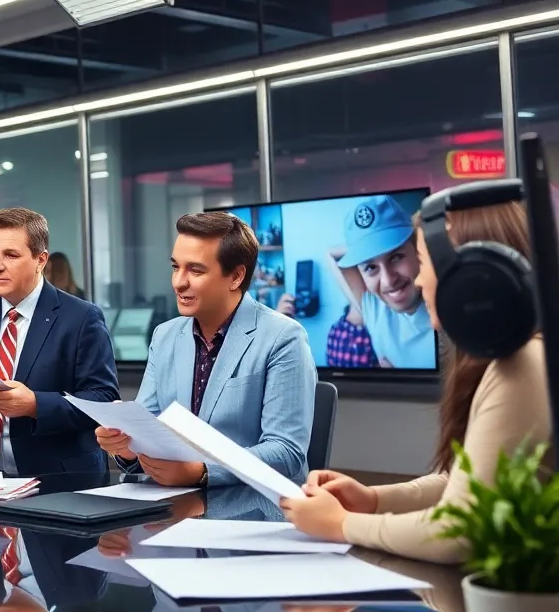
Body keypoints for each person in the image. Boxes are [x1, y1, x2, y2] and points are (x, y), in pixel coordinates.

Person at [281, 199, 553, 563]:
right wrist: (373, 499)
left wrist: (342, 524)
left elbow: (460, 529)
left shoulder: (522, 366)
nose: (421, 280)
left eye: (423, 262)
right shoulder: (519, 355)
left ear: (475, 274)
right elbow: (465, 481)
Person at [97, 212, 315, 487]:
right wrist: (127, 445)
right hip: (177, 501)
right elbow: (149, 428)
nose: (178, 282)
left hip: (254, 505)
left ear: (236, 276)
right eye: (176, 267)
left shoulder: (283, 337)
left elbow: (286, 452)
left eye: (195, 270)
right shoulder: (164, 336)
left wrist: (203, 471)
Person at [0, 208, 119, 475]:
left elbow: (103, 399)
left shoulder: (81, 317)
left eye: (10, 255)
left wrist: (35, 405)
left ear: (41, 260)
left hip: (59, 480)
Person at [279, 194, 435, 370]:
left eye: (396, 257)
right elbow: (332, 255)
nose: (388, 281)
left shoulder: (443, 319)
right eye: (371, 267)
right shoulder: (374, 307)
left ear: (418, 248)